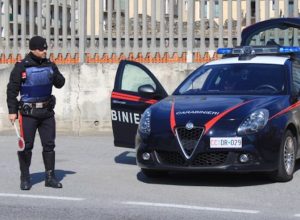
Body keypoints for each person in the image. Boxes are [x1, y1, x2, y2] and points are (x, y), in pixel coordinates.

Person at [6, 36, 65, 190]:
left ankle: (50, 177)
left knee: (49, 145)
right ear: (33, 49)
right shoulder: (21, 67)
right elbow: (12, 90)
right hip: (28, 113)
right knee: (27, 146)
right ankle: (25, 177)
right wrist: (12, 111)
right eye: (41, 49)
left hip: (46, 112)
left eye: (45, 48)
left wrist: (54, 73)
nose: (44, 51)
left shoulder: (50, 64)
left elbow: (60, 83)